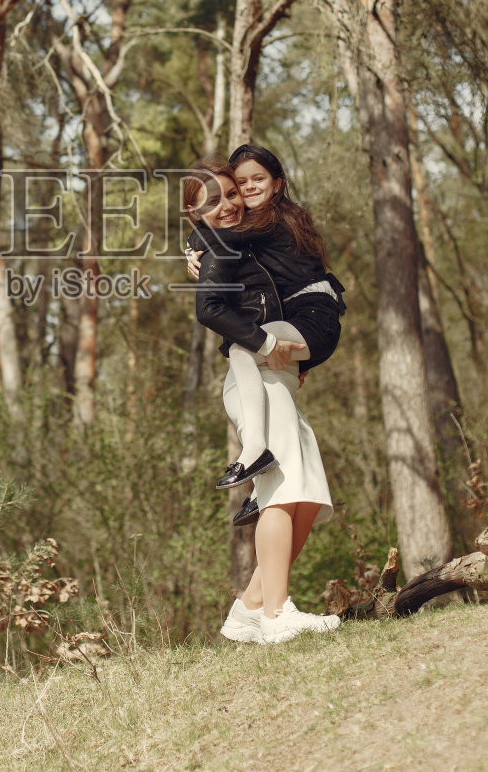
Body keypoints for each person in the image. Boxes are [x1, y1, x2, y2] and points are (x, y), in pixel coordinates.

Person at [182, 149, 345, 644]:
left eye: (232, 193)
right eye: (213, 200)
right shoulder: (216, 247)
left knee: (310, 494)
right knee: (280, 487)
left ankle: (250, 607)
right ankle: (276, 614)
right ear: (195, 211)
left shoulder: (253, 237)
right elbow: (211, 311)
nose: (229, 203)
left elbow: (277, 281)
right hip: (253, 371)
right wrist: (197, 243)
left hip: (272, 375)